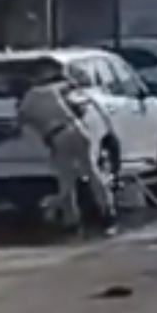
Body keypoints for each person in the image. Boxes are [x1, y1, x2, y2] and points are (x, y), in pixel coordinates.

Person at [16, 60, 117, 233]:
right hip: (78, 129)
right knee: (92, 172)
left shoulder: (27, 102)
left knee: (66, 180)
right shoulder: (51, 90)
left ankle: (68, 218)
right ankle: (108, 213)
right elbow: (73, 86)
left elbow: (20, 124)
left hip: (59, 136)